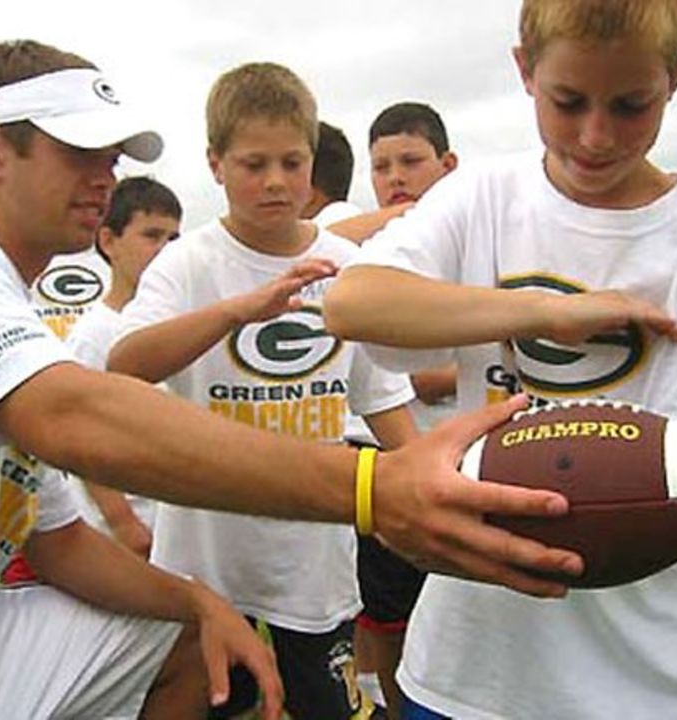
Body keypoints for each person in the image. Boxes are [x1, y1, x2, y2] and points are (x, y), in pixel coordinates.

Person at [0, 37, 635, 719]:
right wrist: (374, 488)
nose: (106, 176)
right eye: (77, 152)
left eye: (111, 156)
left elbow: (55, 541)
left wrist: (197, 600)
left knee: (195, 638)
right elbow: (75, 414)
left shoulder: (8, 307)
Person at [324, 1, 677, 717]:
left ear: (676, 78)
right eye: (567, 101)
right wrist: (546, 311)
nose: (596, 135)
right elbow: (354, 302)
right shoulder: (483, 195)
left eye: (632, 104)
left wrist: (501, 493)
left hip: (652, 680)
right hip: (467, 671)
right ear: (525, 69)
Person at [108, 61, 418, 720]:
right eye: (254, 164)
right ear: (215, 163)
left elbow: (383, 400)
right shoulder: (189, 262)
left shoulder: (349, 266)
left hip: (314, 560)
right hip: (207, 565)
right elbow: (122, 363)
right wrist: (234, 312)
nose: (276, 181)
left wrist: (430, 487)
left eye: (292, 161)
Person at [0, 446, 279, 718]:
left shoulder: (10, 411)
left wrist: (201, 602)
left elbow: (61, 547)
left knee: (185, 627)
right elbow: (79, 417)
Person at [355, 100, 462, 719]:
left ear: (447, 164)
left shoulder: (477, 241)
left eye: (411, 161)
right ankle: (382, 707)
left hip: (469, 460)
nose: (395, 176)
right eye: (381, 166)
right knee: (385, 611)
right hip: (390, 459)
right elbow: (409, 378)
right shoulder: (376, 250)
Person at [65, 175, 183, 556]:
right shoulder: (93, 334)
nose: (165, 250)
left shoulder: (178, 329)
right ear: (109, 241)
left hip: (171, 526)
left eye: (173, 238)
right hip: (119, 536)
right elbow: (77, 437)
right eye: (152, 236)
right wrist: (123, 523)